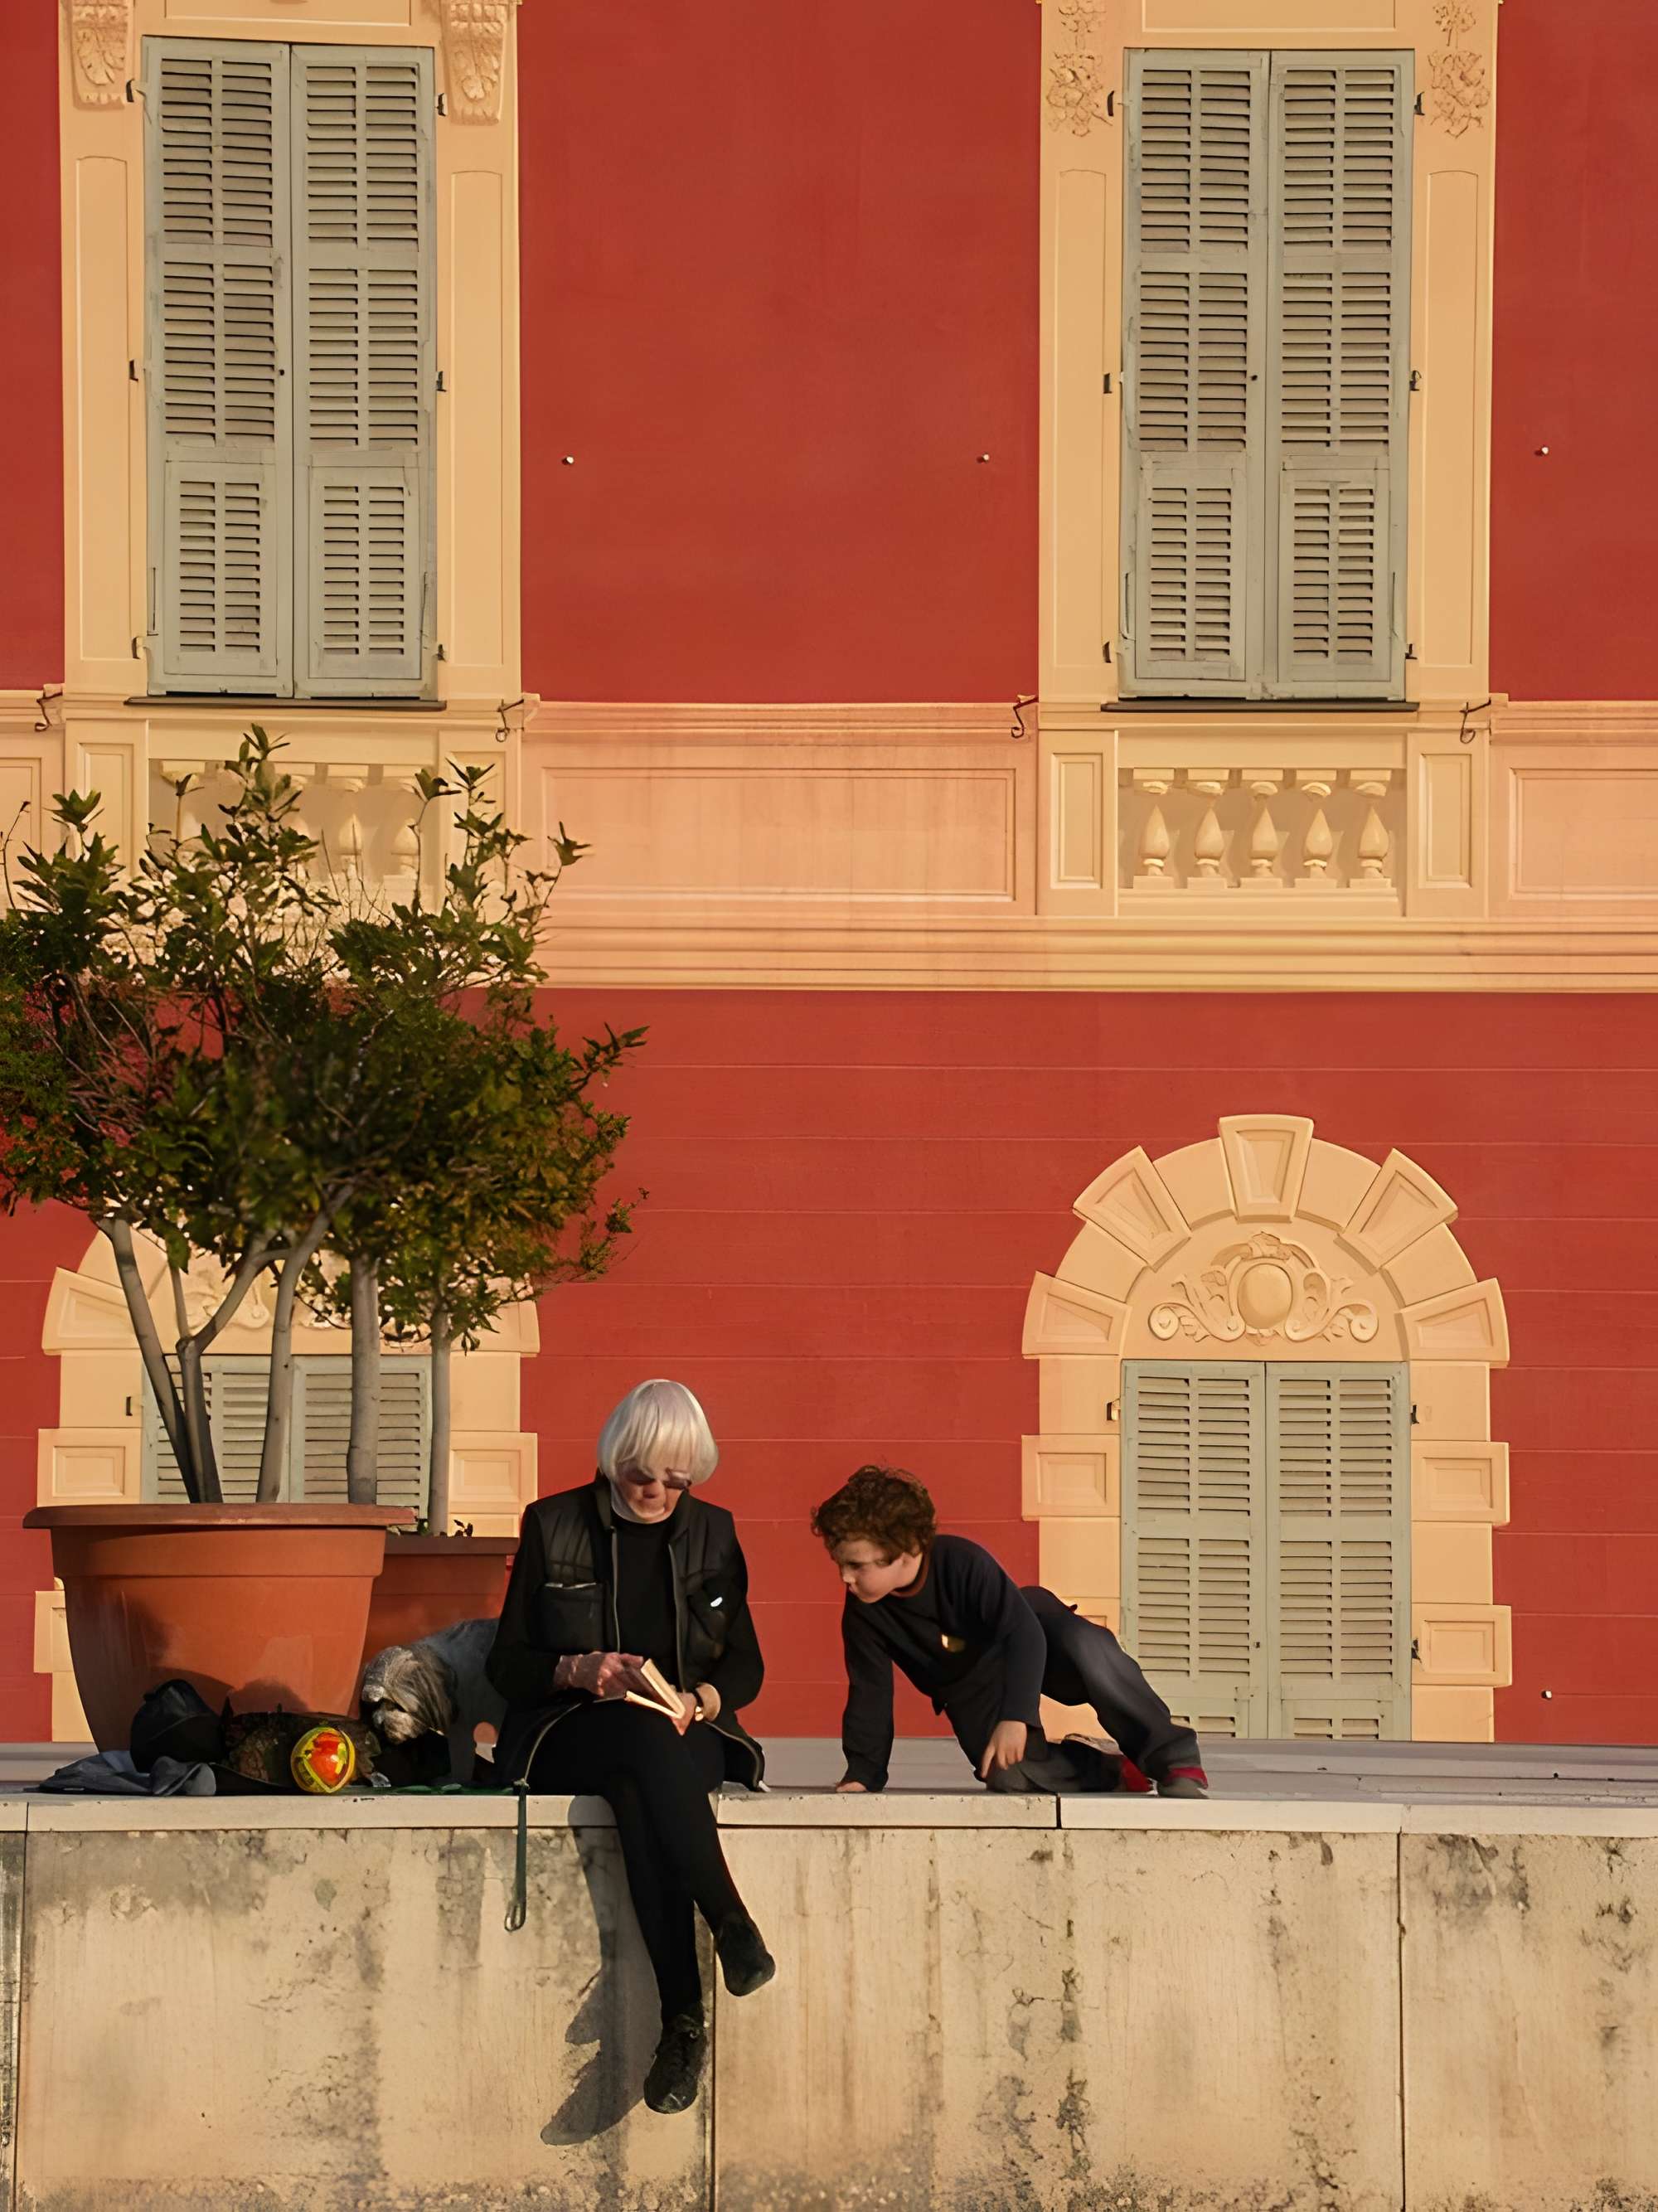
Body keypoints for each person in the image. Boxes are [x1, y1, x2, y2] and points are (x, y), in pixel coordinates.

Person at [488, 1379, 775, 2114]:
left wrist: (698, 1700)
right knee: (637, 1746)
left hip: (683, 1730)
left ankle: (683, 2023)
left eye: (675, 1478)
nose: (655, 1491)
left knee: (643, 1782)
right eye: (641, 1473)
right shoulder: (552, 1524)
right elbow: (506, 1665)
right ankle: (730, 1924)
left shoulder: (715, 1531)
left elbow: (745, 1664)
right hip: (569, 1728)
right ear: (615, 1460)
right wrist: (577, 1670)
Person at [811, 1464, 1209, 1800]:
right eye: (839, 1565)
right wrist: (863, 1774)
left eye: (858, 1565)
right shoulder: (864, 1613)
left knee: (1088, 1647)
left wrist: (1015, 1716)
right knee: (1006, 1777)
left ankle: (1173, 1759)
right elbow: (870, 1692)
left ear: (907, 1549)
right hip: (971, 1685)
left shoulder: (961, 1562)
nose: (845, 1577)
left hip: (1033, 1637)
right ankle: (1107, 1769)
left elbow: (1023, 1635)